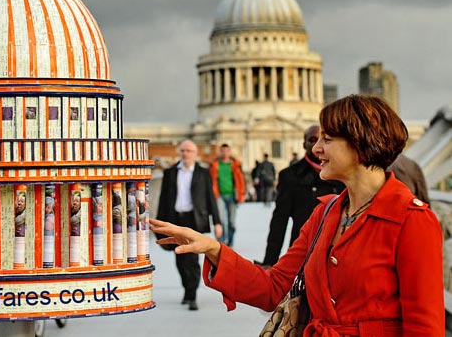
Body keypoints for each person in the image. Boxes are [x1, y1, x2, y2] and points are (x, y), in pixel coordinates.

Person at [151, 95, 444, 335]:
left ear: (360, 143)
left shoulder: (412, 220)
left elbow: (424, 327)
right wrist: (213, 249)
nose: (316, 148)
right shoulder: (325, 214)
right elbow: (274, 287)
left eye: (327, 139)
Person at [260, 125, 345, 266]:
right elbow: (279, 221)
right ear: (304, 144)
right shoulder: (290, 176)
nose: (317, 145)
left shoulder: (342, 174)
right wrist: (270, 261)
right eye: (312, 140)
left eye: (325, 140)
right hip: (302, 254)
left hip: (336, 255)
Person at [156, 139, 222, 311]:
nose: (185, 154)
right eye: (183, 150)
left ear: (195, 154)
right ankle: (187, 289)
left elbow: (210, 198)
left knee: (192, 258)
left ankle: (192, 295)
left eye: (189, 151)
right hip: (176, 219)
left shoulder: (203, 173)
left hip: (194, 220)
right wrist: (159, 222)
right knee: (179, 258)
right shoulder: (170, 173)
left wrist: (217, 221)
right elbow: (163, 199)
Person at [209, 143, 246, 247]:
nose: (225, 153)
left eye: (226, 151)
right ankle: (221, 244)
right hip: (219, 196)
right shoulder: (215, 165)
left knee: (231, 222)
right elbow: (211, 180)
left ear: (229, 152)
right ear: (220, 152)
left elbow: (241, 181)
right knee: (221, 220)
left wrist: (241, 194)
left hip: (232, 196)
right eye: (223, 151)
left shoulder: (235, 165)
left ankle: (230, 242)